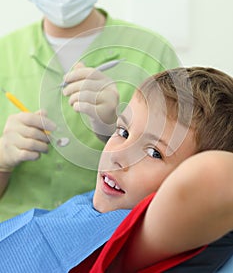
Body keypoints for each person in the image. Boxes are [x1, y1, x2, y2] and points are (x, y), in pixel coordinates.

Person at [0, 0, 180, 221]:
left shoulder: (152, 52)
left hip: (110, 246)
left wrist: (117, 132)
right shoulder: (5, 55)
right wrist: (2, 160)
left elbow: (179, 182)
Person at [0, 66, 233, 272]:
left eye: (154, 153)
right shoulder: (108, 197)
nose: (117, 154)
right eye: (123, 131)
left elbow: (212, 175)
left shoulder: (146, 239)